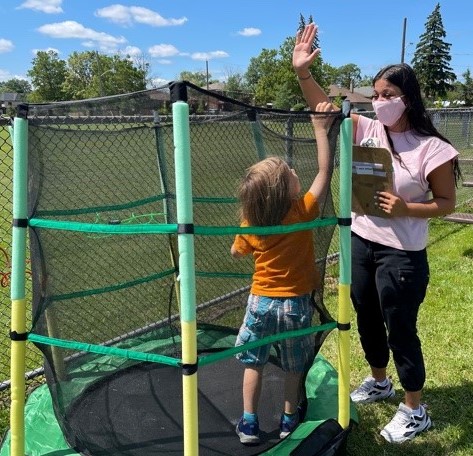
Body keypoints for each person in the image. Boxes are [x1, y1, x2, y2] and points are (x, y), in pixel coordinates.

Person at [293, 22, 460, 444]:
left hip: (402, 253)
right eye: (377, 94)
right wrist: (303, 74)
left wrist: (407, 207)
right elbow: (324, 111)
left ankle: (414, 408)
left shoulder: (431, 148)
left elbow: (446, 203)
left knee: (400, 326)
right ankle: (380, 380)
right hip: (361, 241)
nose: (380, 102)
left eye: (388, 95)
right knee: (365, 316)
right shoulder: (366, 129)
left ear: (408, 99)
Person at [231, 102, 337, 444]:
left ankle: (249, 423)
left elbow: (236, 252)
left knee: (254, 361)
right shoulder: (302, 210)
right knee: (293, 365)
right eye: (291, 174)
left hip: (260, 301)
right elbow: (324, 171)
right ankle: (289, 419)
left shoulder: (252, 222)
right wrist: (320, 129)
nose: (297, 174)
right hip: (294, 304)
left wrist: (245, 242)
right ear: (285, 190)